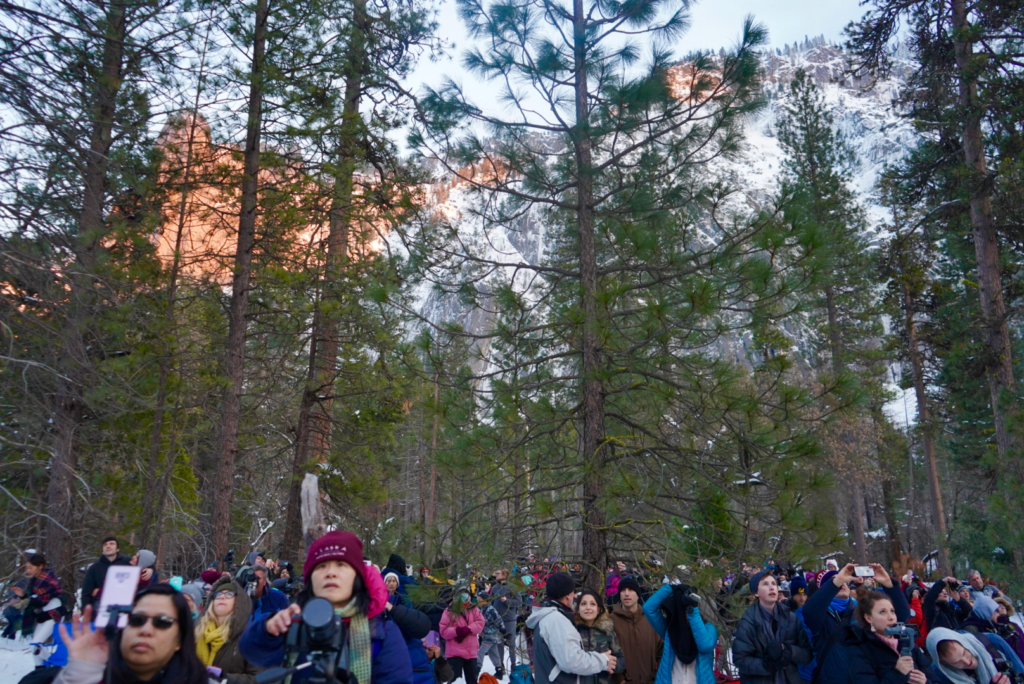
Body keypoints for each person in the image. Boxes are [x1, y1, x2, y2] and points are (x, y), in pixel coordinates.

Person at [239, 530, 413, 684]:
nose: (330, 572)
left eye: (341, 565)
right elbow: (252, 651)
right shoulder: (295, 622)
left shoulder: (382, 633)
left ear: (357, 577)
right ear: (310, 580)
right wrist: (268, 630)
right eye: (321, 566)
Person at [54, 584, 210, 684]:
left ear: (179, 640)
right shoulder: (88, 677)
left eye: (162, 622)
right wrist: (81, 672)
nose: (145, 630)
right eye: (136, 619)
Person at [802, 563, 907, 684]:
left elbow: (901, 616)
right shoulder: (821, 616)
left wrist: (888, 584)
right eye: (835, 581)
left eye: (845, 582)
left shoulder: (860, 611)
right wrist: (837, 581)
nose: (843, 584)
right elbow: (810, 611)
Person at [525, 572, 616, 684]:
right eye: (573, 592)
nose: (575, 596)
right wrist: (603, 660)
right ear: (568, 595)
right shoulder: (556, 621)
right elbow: (571, 661)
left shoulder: (550, 617)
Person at [732, 571, 812, 684]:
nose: (771, 587)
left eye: (774, 584)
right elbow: (741, 660)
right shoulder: (748, 622)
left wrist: (789, 651)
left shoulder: (791, 618)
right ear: (756, 593)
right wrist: (767, 666)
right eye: (765, 584)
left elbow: (807, 654)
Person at [840, 590, 933, 684]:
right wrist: (898, 673)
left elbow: (934, 679)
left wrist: (926, 682)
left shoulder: (907, 643)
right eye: (882, 612)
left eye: (892, 611)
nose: (891, 617)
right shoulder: (859, 649)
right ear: (868, 618)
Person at [643, 583, 717, 684]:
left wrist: (692, 612)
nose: (683, 614)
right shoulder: (670, 630)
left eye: (685, 609)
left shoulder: (709, 628)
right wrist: (670, 588)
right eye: (680, 610)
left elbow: (705, 645)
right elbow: (648, 609)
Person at [194, 576, 258, 683]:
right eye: (218, 594)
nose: (222, 597)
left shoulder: (252, 637)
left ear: (238, 602)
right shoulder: (196, 630)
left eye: (229, 594)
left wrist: (225, 678)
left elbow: (260, 678)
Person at [15, 553, 64, 666]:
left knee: (35, 645)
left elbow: (42, 600)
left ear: (40, 566)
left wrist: (26, 600)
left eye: (31, 567)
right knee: (35, 648)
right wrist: (22, 595)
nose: (28, 570)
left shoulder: (48, 579)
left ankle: (52, 665)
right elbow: (31, 598)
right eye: (27, 568)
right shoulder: (34, 581)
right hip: (42, 617)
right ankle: (40, 670)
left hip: (53, 615)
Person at [611, 577, 662, 684]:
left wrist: (657, 676)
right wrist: (619, 679)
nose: (626, 594)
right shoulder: (611, 621)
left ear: (638, 594)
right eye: (623, 590)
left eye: (631, 590)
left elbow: (661, 650)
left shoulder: (650, 619)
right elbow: (609, 653)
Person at [926, 628, 1012, 684]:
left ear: (963, 642)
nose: (967, 662)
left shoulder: (992, 641)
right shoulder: (942, 676)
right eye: (956, 662)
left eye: (963, 653)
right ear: (944, 664)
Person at [575, 590, 626, 684]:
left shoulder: (607, 632)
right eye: (583, 604)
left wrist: (611, 665)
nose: (588, 608)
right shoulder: (573, 632)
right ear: (578, 609)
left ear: (598, 609)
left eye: (592, 604)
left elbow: (621, 660)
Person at [439, 590, 485, 684]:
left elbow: (481, 622)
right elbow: (443, 631)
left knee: (472, 679)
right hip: (454, 652)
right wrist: (457, 631)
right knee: (454, 680)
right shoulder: (449, 610)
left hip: (471, 651)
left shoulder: (473, 608)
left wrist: (468, 629)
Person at [80, 536, 131, 611]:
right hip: (101, 609)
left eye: (111, 544)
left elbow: (145, 565)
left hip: (124, 608)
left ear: (117, 549)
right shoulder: (94, 568)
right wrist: (85, 612)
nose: (108, 546)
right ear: (102, 550)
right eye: (105, 544)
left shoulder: (128, 562)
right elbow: (86, 593)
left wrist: (150, 569)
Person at [488, 568, 521, 677]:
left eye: (498, 573)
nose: (495, 575)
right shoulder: (495, 587)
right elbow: (491, 602)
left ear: (504, 575)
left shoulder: (512, 587)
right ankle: (500, 667)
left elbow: (519, 602)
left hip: (509, 620)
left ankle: (513, 666)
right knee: (499, 644)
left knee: (511, 644)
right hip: (497, 620)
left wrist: (506, 601)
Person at [478, 597, 512, 679]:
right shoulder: (483, 609)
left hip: (491, 636)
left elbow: (499, 620)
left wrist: (504, 631)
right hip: (487, 635)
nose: (478, 602)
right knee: (493, 653)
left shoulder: (490, 610)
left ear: (485, 600)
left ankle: (476, 669)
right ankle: (499, 670)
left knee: (481, 652)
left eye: (480, 600)